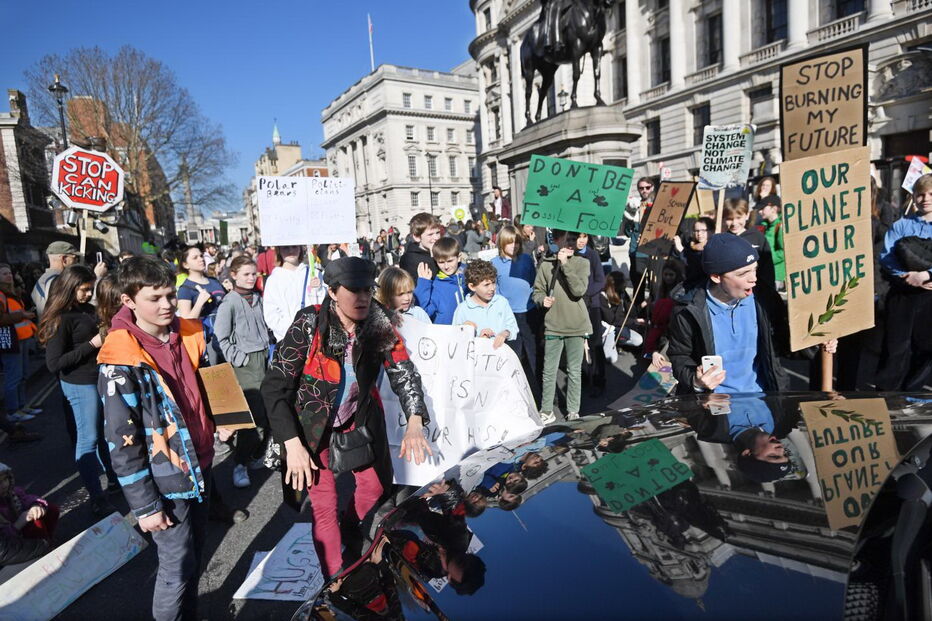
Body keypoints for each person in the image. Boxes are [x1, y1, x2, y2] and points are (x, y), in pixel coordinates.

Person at [261, 256, 432, 579]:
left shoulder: (379, 321)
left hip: (357, 419)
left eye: (368, 289)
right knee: (324, 507)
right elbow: (274, 387)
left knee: (373, 489)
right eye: (353, 290)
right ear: (331, 292)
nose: (363, 297)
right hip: (309, 429)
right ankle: (336, 582)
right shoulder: (308, 323)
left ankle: (353, 531)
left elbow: (403, 372)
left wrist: (414, 420)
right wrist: (292, 444)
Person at [98, 256, 225, 621]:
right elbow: (122, 441)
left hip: (201, 462)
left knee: (194, 560)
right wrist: (146, 506)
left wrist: (226, 419)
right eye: (155, 298)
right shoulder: (121, 358)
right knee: (175, 567)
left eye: (170, 294)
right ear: (128, 301)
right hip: (165, 480)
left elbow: (215, 380)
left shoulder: (190, 332)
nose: (167, 304)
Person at [667, 234, 792, 395]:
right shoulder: (687, 310)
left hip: (763, 402)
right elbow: (679, 355)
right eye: (742, 273)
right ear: (716, 277)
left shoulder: (765, 299)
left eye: (755, 269)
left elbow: (785, 345)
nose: (753, 279)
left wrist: (817, 340)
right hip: (714, 408)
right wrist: (695, 381)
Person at [38, 265, 117, 516]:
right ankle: (96, 496)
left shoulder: (89, 310)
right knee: (89, 439)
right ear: (70, 288)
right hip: (79, 384)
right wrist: (92, 344)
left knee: (106, 435)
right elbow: (54, 364)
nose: (88, 294)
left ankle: (114, 481)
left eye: (90, 289)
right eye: (84, 289)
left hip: (99, 378)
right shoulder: (60, 319)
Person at [214, 256, 271, 489]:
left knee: (269, 413)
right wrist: (241, 358)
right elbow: (221, 337)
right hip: (246, 364)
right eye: (246, 274)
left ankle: (255, 456)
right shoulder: (230, 302)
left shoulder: (257, 298)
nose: (251, 278)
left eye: (254, 273)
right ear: (233, 275)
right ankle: (240, 464)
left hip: (264, 359)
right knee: (254, 418)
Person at [876, 173, 932, 391]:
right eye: (920, 194)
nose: (925, 199)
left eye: (930, 194)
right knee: (895, 348)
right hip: (902, 294)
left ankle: (912, 394)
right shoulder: (901, 225)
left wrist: (925, 275)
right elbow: (886, 256)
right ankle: (886, 397)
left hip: (929, 296)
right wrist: (907, 277)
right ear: (914, 197)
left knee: (926, 349)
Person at [532, 230, 591, 423]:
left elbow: (579, 290)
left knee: (574, 370)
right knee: (549, 370)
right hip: (554, 324)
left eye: (574, 240)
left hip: (576, 324)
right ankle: (546, 409)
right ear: (556, 240)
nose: (571, 244)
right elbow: (537, 290)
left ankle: (573, 409)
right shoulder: (546, 264)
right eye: (566, 240)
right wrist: (542, 300)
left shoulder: (583, 263)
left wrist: (565, 264)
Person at [490, 226, 538, 397]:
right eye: (509, 243)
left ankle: (538, 391)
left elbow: (534, 281)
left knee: (534, 353)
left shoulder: (525, 259)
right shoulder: (494, 264)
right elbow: (494, 290)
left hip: (529, 311)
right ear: (502, 243)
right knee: (514, 355)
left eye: (517, 242)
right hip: (509, 316)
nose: (514, 246)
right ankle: (517, 392)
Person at [0, 264, 40, 443]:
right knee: (13, 376)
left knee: (23, 374)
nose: (9, 276)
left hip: (22, 337)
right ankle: (13, 411)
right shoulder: (1, 295)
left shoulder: (12, 292)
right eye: (4, 274)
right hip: (11, 340)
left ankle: (22, 406)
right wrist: (21, 315)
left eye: (10, 273)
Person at [176, 245, 227, 364]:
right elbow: (186, 320)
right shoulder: (185, 289)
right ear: (185, 265)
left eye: (201, 256)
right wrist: (199, 303)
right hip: (208, 341)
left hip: (226, 334)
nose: (201, 259)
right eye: (195, 258)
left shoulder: (214, 281)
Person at [263, 245, 325, 343]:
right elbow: (271, 314)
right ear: (279, 250)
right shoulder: (273, 280)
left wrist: (318, 290)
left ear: (300, 248)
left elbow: (321, 305)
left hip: (313, 338)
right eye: (286, 247)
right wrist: (291, 330)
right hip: (287, 340)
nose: (291, 251)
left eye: (294, 247)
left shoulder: (314, 274)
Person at [0, 462, 58, 566]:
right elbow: (4, 540)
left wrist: (36, 505)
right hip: (14, 541)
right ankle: (44, 551)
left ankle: (49, 540)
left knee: (51, 509)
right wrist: (19, 523)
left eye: (5, 479)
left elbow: (28, 498)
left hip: (21, 527)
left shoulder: (13, 492)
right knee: (36, 523)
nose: (4, 484)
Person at [453, 260, 518, 350]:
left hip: (500, 357)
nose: (492, 288)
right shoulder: (462, 309)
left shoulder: (501, 302)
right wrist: (477, 338)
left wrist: (505, 333)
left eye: (493, 282)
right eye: (486, 285)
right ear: (472, 286)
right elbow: (457, 340)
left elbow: (513, 327)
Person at [575, 233, 608, 395]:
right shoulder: (569, 255)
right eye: (578, 237)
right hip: (575, 306)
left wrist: (585, 293)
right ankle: (582, 377)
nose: (581, 241)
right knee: (577, 343)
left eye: (584, 237)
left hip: (592, 305)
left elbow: (600, 280)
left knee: (595, 344)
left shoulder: (593, 255)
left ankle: (599, 378)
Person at [722, 199, 776, 290]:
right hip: (731, 290)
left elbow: (767, 266)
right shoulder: (722, 240)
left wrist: (767, 290)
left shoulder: (757, 237)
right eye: (729, 219)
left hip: (756, 290)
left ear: (747, 216)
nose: (734, 223)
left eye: (739, 218)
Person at [414, 237, 467, 325]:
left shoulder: (468, 276)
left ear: (459, 257)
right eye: (441, 262)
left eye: (450, 261)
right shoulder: (437, 287)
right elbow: (423, 313)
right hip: (447, 334)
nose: (446, 266)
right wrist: (423, 284)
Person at [643, 259, 685, 355]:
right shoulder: (661, 288)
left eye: (671, 275)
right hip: (660, 321)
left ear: (676, 275)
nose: (668, 278)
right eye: (665, 275)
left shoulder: (680, 288)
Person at [31, 241, 79, 319]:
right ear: (64, 259)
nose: (76, 261)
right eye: (74, 258)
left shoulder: (43, 279)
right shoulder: (59, 281)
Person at [624, 177, 654, 296]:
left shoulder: (657, 204)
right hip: (637, 253)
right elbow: (627, 232)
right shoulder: (633, 206)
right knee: (638, 290)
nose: (644, 190)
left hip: (653, 253)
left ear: (652, 188)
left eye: (647, 187)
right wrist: (629, 220)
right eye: (641, 188)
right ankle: (639, 313)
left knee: (654, 288)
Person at [399, 213, 442, 282]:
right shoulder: (409, 260)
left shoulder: (443, 250)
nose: (436, 237)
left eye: (437, 233)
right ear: (417, 237)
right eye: (430, 234)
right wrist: (433, 258)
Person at [674, 217, 713, 291]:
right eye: (697, 231)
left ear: (711, 231)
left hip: (702, 288)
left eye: (703, 231)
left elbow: (695, 263)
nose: (699, 234)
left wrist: (681, 250)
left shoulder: (712, 247)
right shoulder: (691, 245)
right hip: (689, 284)